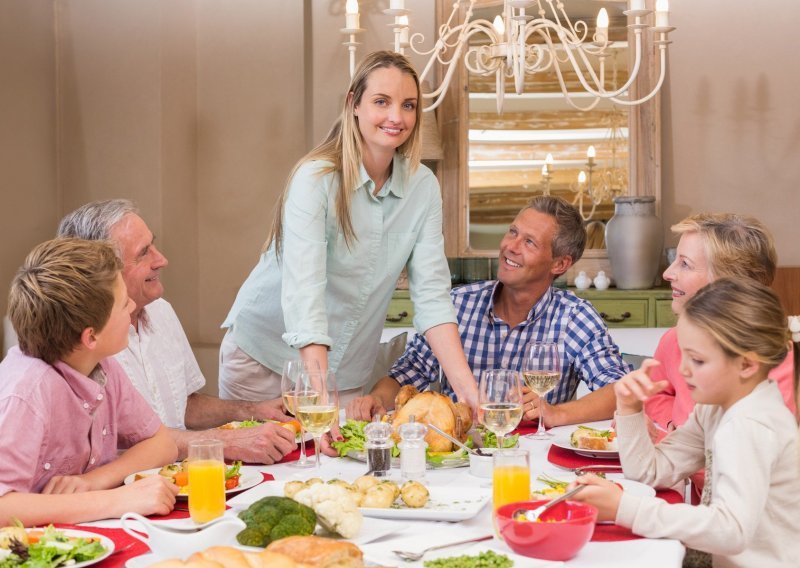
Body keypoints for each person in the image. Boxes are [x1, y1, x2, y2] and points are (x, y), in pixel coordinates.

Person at [220, 51, 478, 409]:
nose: (396, 117)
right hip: (264, 361)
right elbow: (305, 294)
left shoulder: (424, 189)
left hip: (347, 371)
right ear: (353, 104)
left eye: (408, 105)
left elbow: (433, 299)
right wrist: (320, 403)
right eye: (381, 102)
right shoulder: (316, 179)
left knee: (338, 464)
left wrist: (470, 392)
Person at [345, 196, 631, 426]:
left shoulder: (575, 317)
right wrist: (378, 399)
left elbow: (622, 391)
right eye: (513, 232)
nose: (510, 247)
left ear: (559, 264)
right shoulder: (457, 304)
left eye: (529, 242)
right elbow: (408, 373)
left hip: (535, 459)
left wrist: (556, 413)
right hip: (458, 456)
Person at [573, 278, 800, 568]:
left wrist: (625, 509)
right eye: (684, 355)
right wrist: (630, 408)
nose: (682, 370)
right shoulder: (716, 409)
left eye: (698, 360)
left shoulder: (750, 425)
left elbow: (731, 531)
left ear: (747, 364)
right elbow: (651, 471)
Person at [57, 200, 297, 464]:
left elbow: (185, 405)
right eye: (143, 253)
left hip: (182, 477)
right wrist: (225, 442)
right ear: (101, 271)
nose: (161, 260)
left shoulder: (161, 311)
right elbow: (125, 439)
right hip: (128, 489)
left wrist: (252, 410)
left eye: (153, 245)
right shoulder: (86, 343)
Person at [0, 238, 179, 525]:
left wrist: (94, 481)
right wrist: (114, 500)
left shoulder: (102, 365)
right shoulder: (25, 393)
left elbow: (163, 443)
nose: (133, 304)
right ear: (90, 337)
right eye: (123, 304)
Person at [644, 213, 796, 435]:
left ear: (728, 283)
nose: (667, 273)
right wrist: (674, 426)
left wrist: (672, 440)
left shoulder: (780, 360)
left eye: (685, 264)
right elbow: (654, 395)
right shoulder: (673, 341)